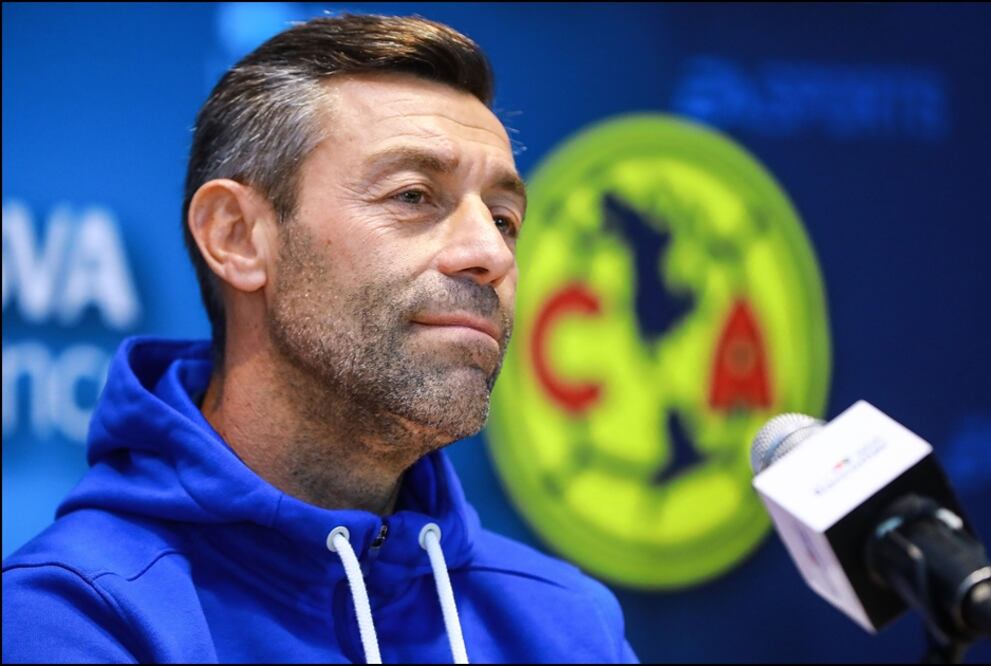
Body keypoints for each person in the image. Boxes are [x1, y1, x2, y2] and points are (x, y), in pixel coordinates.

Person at [2, 13, 637, 664]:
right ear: (237, 237)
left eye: (504, 219)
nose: (490, 254)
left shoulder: (569, 623)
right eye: (414, 195)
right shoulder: (73, 616)